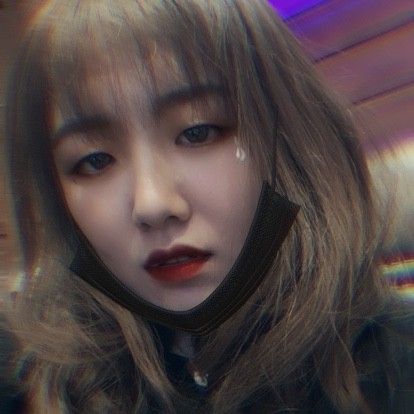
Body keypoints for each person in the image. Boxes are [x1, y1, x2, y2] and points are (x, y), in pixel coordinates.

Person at [1, 1, 413, 413]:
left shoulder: (395, 363)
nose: (152, 204)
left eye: (198, 132)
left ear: (287, 140)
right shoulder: (33, 380)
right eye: (95, 161)